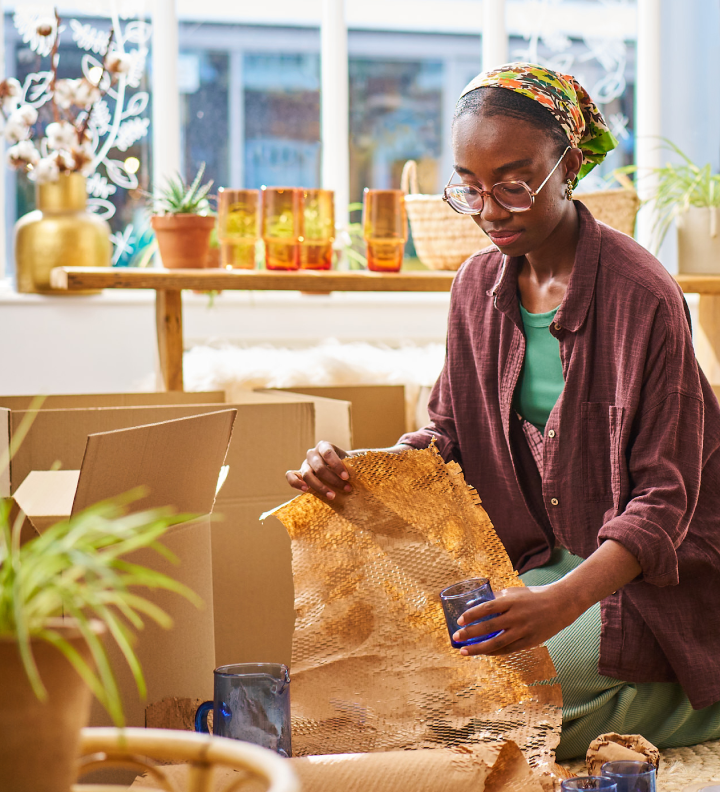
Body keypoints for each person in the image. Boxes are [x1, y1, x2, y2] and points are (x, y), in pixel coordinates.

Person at [286, 63, 720, 760]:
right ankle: (623, 682)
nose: (490, 209)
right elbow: (450, 437)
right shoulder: (475, 287)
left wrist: (562, 603)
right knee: (419, 688)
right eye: (470, 187)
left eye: (515, 184)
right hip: (536, 566)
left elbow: (665, 503)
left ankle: (691, 695)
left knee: (502, 718)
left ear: (569, 166)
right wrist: (358, 471)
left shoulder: (646, 296)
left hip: (644, 579)